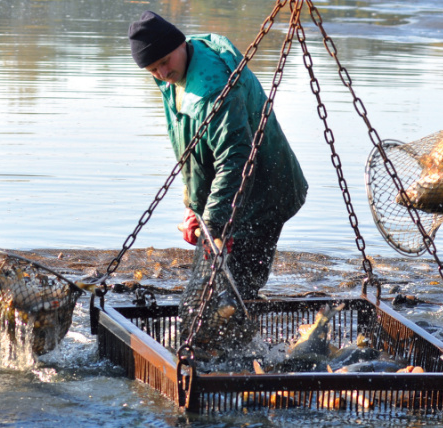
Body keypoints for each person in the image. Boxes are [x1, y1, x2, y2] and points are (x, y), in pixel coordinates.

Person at [128, 11, 308, 356]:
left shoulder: (213, 89)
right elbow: (192, 145)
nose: (162, 74)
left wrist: (213, 224)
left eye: (165, 62)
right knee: (217, 293)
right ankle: (230, 356)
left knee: (233, 290)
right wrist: (193, 206)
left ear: (180, 43)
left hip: (263, 193)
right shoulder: (174, 75)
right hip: (229, 198)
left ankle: (240, 365)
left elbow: (234, 161)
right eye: (153, 70)